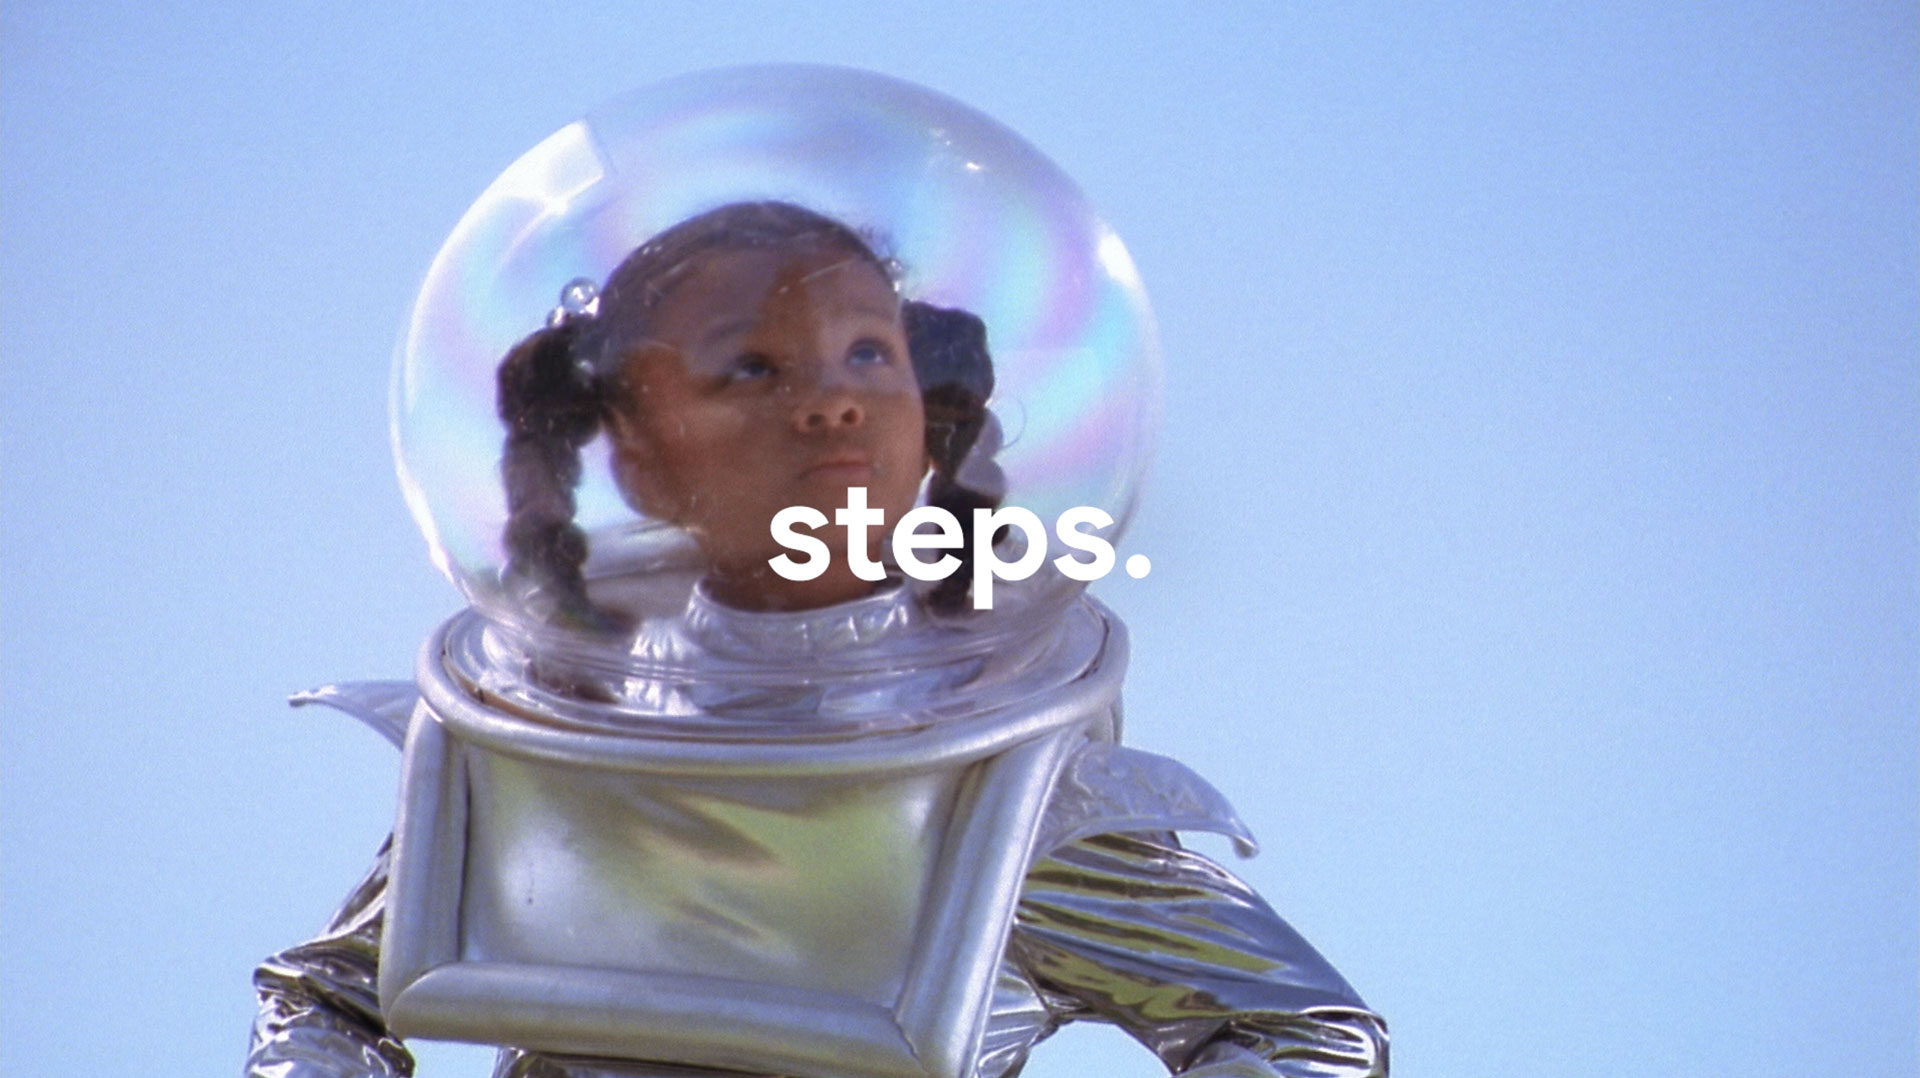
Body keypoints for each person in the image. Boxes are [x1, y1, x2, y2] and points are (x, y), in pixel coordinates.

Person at [247, 202, 1389, 1078]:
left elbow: (1301, 1029)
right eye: (753, 366)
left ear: (929, 415)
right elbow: (326, 998)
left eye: (866, 357)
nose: (830, 403)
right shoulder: (549, 746)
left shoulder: (999, 789)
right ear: (637, 451)